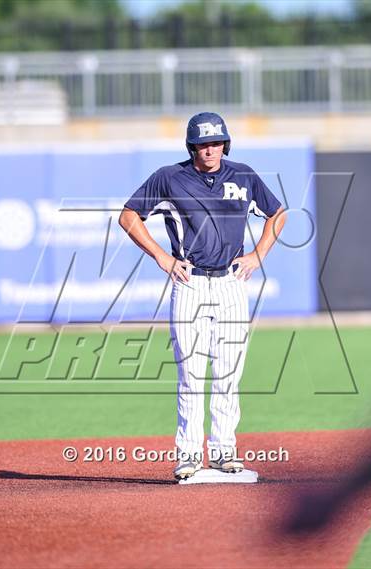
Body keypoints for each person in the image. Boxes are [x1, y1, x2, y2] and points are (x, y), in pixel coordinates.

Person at [119, 112, 286, 480]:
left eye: (216, 142)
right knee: (191, 375)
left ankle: (225, 451)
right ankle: (189, 455)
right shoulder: (169, 177)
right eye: (203, 143)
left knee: (228, 372)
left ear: (225, 143)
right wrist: (161, 256)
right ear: (191, 146)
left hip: (230, 283)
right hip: (190, 282)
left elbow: (278, 214)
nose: (210, 149)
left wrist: (258, 254)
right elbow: (129, 215)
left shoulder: (242, 175)